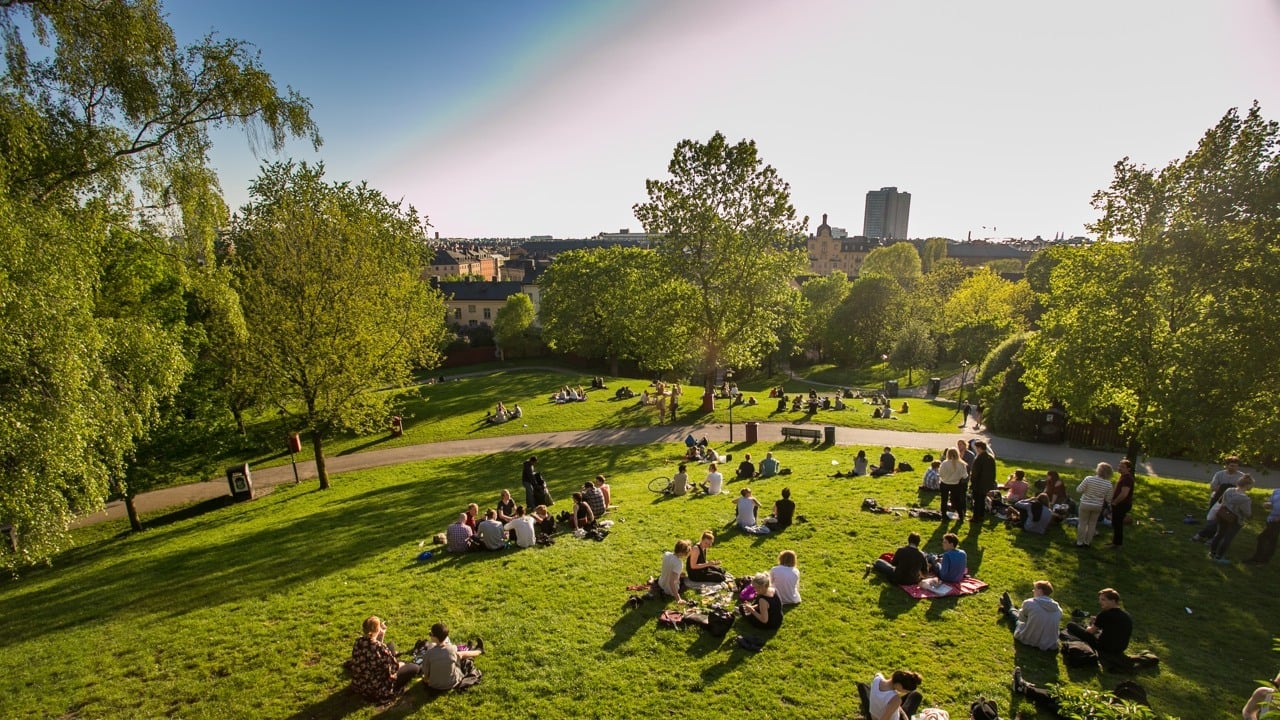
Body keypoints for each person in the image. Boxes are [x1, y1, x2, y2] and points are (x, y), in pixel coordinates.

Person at [349, 615, 419, 702]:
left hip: (361, 682)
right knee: (414, 667)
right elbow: (394, 668)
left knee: (391, 646)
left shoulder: (358, 641)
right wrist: (401, 664)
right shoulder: (380, 648)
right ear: (377, 629)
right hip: (377, 687)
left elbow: (375, 650)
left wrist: (381, 635)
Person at [1064, 587, 1132, 660]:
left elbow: (1091, 631)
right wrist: (1098, 622)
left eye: (1103, 600)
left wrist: (1088, 626)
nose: (1100, 602)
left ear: (1113, 601)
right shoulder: (1126, 615)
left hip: (1104, 647)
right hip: (1120, 649)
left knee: (1071, 625)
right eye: (1100, 599)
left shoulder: (1104, 614)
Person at [998, 580, 1062, 651]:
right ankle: (1010, 607)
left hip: (1030, 639)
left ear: (1040, 591)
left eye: (1035, 589)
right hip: (1049, 643)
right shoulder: (1058, 609)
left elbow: (1021, 619)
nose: (1033, 591)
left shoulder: (1030, 603)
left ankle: (1009, 607)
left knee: (1017, 618)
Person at [421, 622, 485, 692]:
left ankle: (476, 650)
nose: (430, 636)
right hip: (453, 683)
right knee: (460, 655)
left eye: (431, 634)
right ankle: (479, 650)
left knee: (457, 655)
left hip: (434, 686)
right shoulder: (453, 648)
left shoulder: (428, 654)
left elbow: (426, 674)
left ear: (435, 637)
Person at [1195, 456, 1245, 542]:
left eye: (1236, 466)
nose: (1234, 468)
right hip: (1217, 498)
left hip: (1231, 501)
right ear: (1227, 465)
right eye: (1232, 465)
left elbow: (1242, 489)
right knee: (1213, 518)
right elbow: (1213, 487)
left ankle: (1211, 537)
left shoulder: (1241, 476)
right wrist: (1225, 489)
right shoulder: (1219, 474)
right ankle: (1206, 536)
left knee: (1223, 520)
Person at [1210, 474, 1255, 563]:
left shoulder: (1229, 490)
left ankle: (1212, 552)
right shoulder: (1245, 499)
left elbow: (1222, 501)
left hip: (1223, 515)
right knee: (1228, 538)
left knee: (1219, 534)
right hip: (1234, 519)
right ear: (1247, 485)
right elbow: (1247, 513)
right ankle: (1219, 557)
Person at [1075, 463, 1114, 547]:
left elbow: (1078, 490)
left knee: (1082, 523)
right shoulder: (1108, 484)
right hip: (1098, 505)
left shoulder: (1089, 479)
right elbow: (1108, 499)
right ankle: (1087, 542)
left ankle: (1079, 542)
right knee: (1092, 524)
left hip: (1085, 503)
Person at [1246, 485, 1280, 565]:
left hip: (1277, 521)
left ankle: (1260, 559)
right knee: (1268, 539)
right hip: (1271, 519)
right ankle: (1261, 559)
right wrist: (1267, 505)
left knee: (1264, 538)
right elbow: (1270, 503)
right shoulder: (1277, 491)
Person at [1107, 459, 1136, 549]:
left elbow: (1124, 494)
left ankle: (1117, 544)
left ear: (1128, 469)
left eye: (1122, 467)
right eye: (1119, 466)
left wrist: (1115, 502)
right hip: (1119, 504)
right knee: (1115, 523)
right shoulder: (1123, 477)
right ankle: (1115, 542)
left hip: (1122, 504)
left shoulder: (1127, 479)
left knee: (1118, 524)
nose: (1119, 468)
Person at [968, 440, 996, 522]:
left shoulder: (979, 458)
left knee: (977, 501)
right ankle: (981, 515)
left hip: (978, 483)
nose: (976, 449)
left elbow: (975, 472)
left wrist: (972, 482)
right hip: (987, 483)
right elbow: (993, 472)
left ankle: (976, 517)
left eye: (976, 448)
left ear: (980, 448)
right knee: (982, 500)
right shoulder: (990, 458)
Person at [938, 447, 969, 520]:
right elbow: (965, 476)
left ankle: (944, 515)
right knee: (957, 500)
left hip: (945, 483)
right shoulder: (962, 464)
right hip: (955, 484)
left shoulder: (945, 463)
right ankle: (961, 515)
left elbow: (940, 474)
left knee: (944, 500)